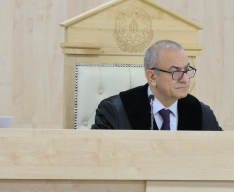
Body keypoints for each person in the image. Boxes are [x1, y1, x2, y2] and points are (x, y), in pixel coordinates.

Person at [91, 39, 222, 130]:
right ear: (152, 77)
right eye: (176, 72)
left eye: (187, 70)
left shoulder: (202, 113)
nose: (186, 79)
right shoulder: (115, 111)